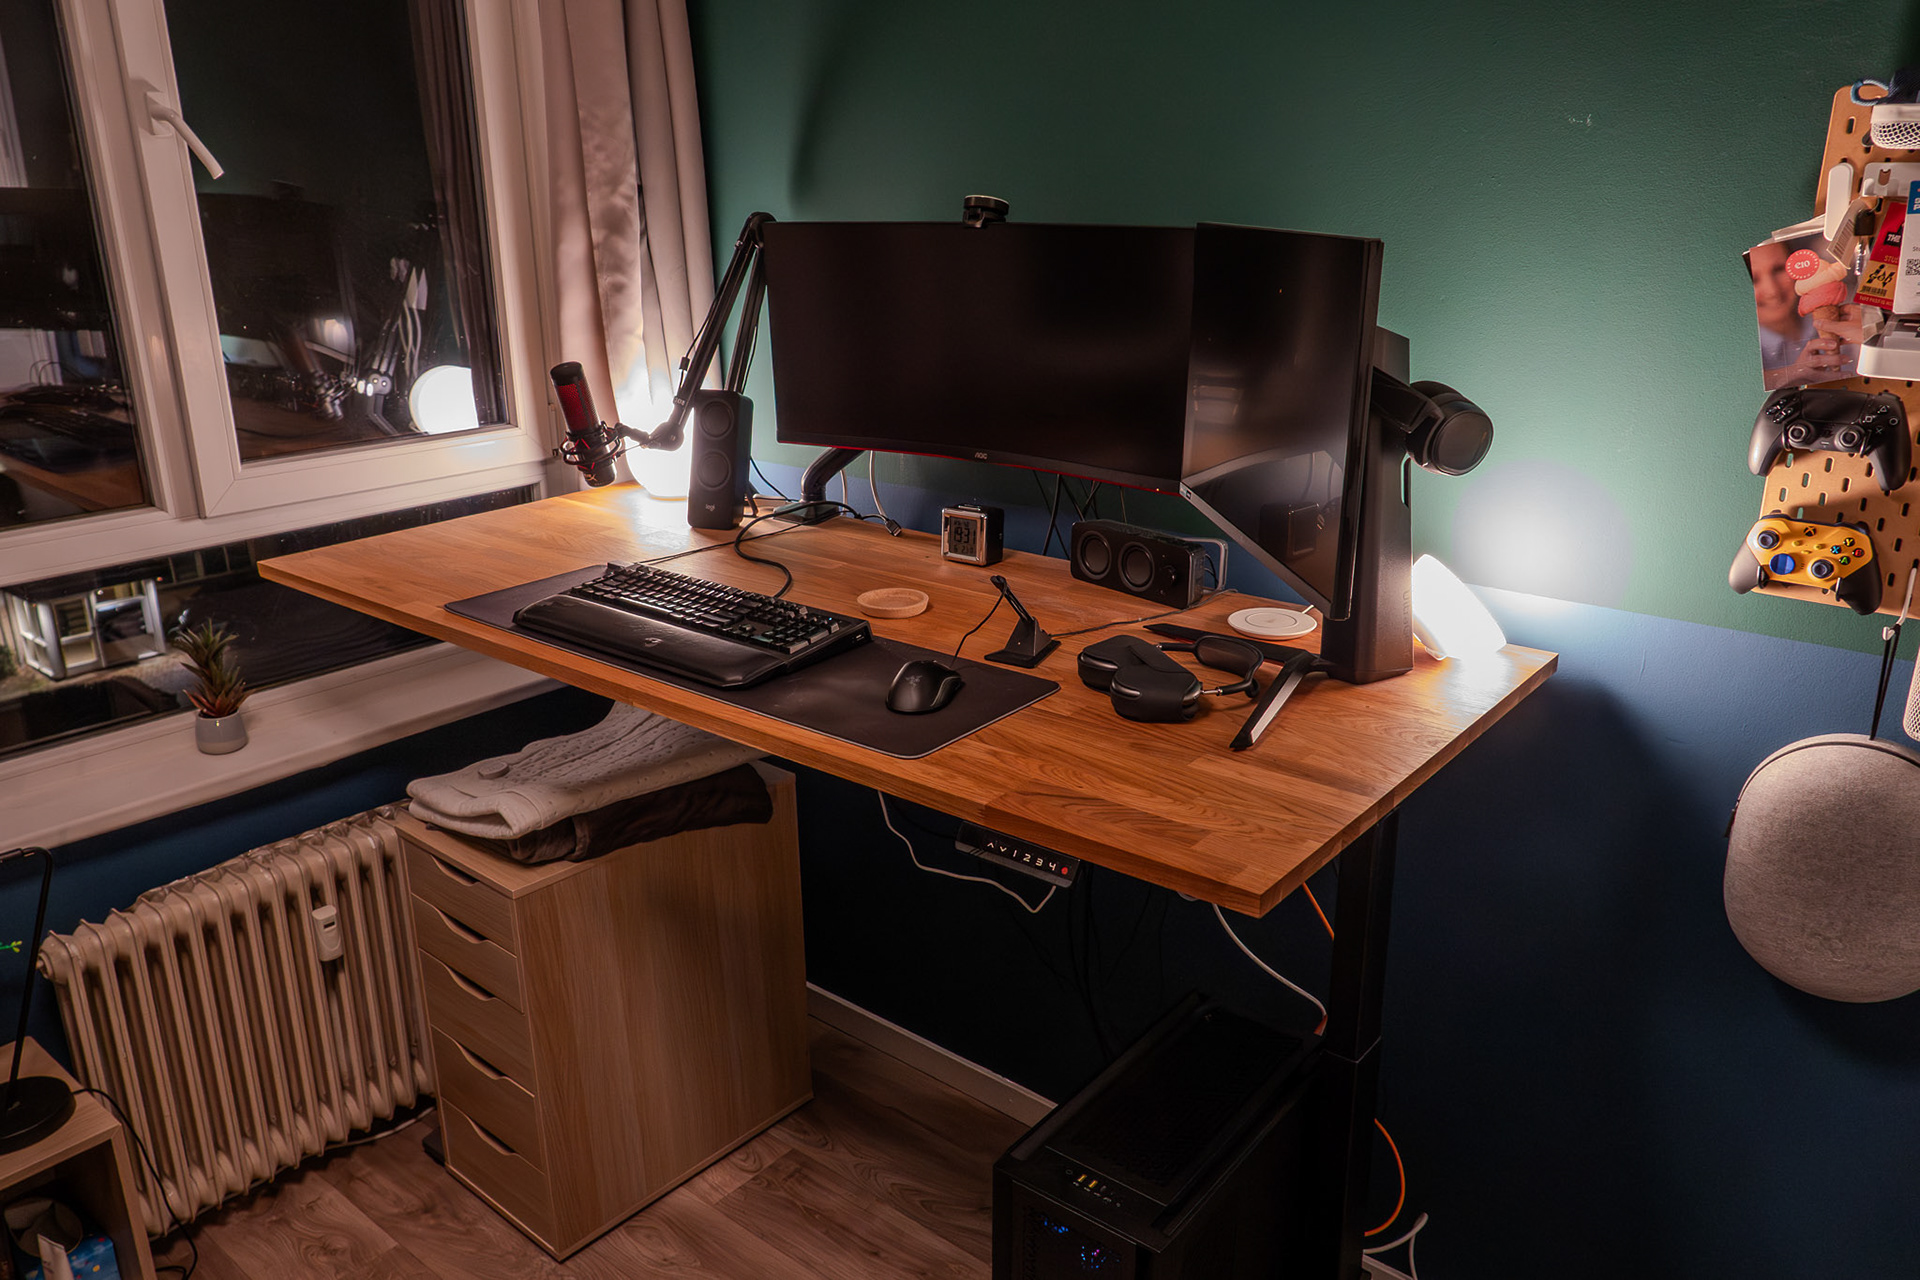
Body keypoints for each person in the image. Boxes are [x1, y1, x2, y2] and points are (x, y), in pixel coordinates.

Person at [1750, 238, 1862, 389]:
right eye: (1754, 280)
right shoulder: (1745, 354)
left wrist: (1873, 331)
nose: (1772, 291)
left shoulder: (1845, 305)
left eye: (1778, 269)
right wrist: (1791, 374)